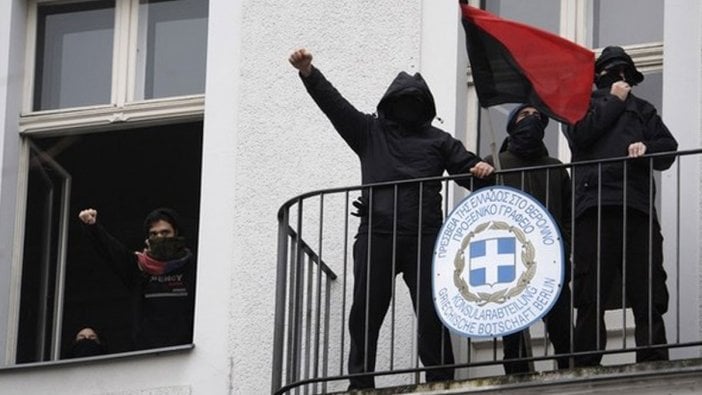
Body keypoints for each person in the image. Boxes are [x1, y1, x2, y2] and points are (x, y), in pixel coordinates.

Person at [289, 48, 494, 389]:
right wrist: (310, 73)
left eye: (414, 101)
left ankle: (440, 379)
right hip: (378, 232)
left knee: (431, 312)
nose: (408, 106)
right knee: (367, 311)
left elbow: (468, 170)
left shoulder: (437, 140)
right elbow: (334, 105)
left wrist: (483, 171)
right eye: (405, 100)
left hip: (424, 235)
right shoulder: (369, 131)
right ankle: (361, 381)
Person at [565, 46, 678, 366]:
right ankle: (585, 362)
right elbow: (581, 136)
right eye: (617, 73)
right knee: (590, 291)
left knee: (648, 289)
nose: (623, 79)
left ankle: (654, 358)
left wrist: (648, 147)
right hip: (595, 207)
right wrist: (614, 101)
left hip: (637, 208)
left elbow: (668, 149)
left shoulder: (643, 109)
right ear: (601, 76)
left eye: (627, 74)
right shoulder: (579, 105)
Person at [484, 104, 573, 374]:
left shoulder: (555, 168)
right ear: (511, 126)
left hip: (551, 261)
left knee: (561, 328)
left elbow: (569, 214)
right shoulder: (495, 165)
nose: (532, 119)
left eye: (537, 116)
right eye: (524, 115)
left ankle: (568, 372)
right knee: (513, 331)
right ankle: (516, 376)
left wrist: (564, 244)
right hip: (511, 261)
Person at [78, 207, 196, 350]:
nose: (159, 237)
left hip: (185, 353)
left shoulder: (192, 266)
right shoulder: (138, 268)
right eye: (154, 234)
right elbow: (111, 251)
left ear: (176, 233)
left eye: (165, 232)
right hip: (145, 353)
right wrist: (92, 227)